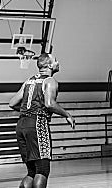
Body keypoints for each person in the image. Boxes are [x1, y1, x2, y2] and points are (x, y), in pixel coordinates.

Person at [9, 53, 75, 188]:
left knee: (31, 172)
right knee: (42, 169)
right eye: (55, 60)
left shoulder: (28, 81)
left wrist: (26, 111)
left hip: (21, 124)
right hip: (37, 124)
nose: (58, 63)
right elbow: (49, 103)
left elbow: (12, 103)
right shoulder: (50, 81)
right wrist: (67, 114)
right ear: (50, 65)